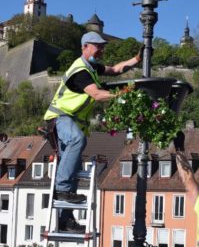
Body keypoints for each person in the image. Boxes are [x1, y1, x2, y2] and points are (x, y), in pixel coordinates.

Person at [44, 31, 142, 232]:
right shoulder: (80, 71)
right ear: (85, 47)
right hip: (60, 118)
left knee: (72, 165)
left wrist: (136, 59)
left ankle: (65, 221)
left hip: (70, 120)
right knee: (77, 141)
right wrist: (121, 95)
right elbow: (96, 94)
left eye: (102, 46)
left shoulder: (92, 67)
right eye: (98, 46)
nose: (101, 50)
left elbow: (115, 69)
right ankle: (61, 189)